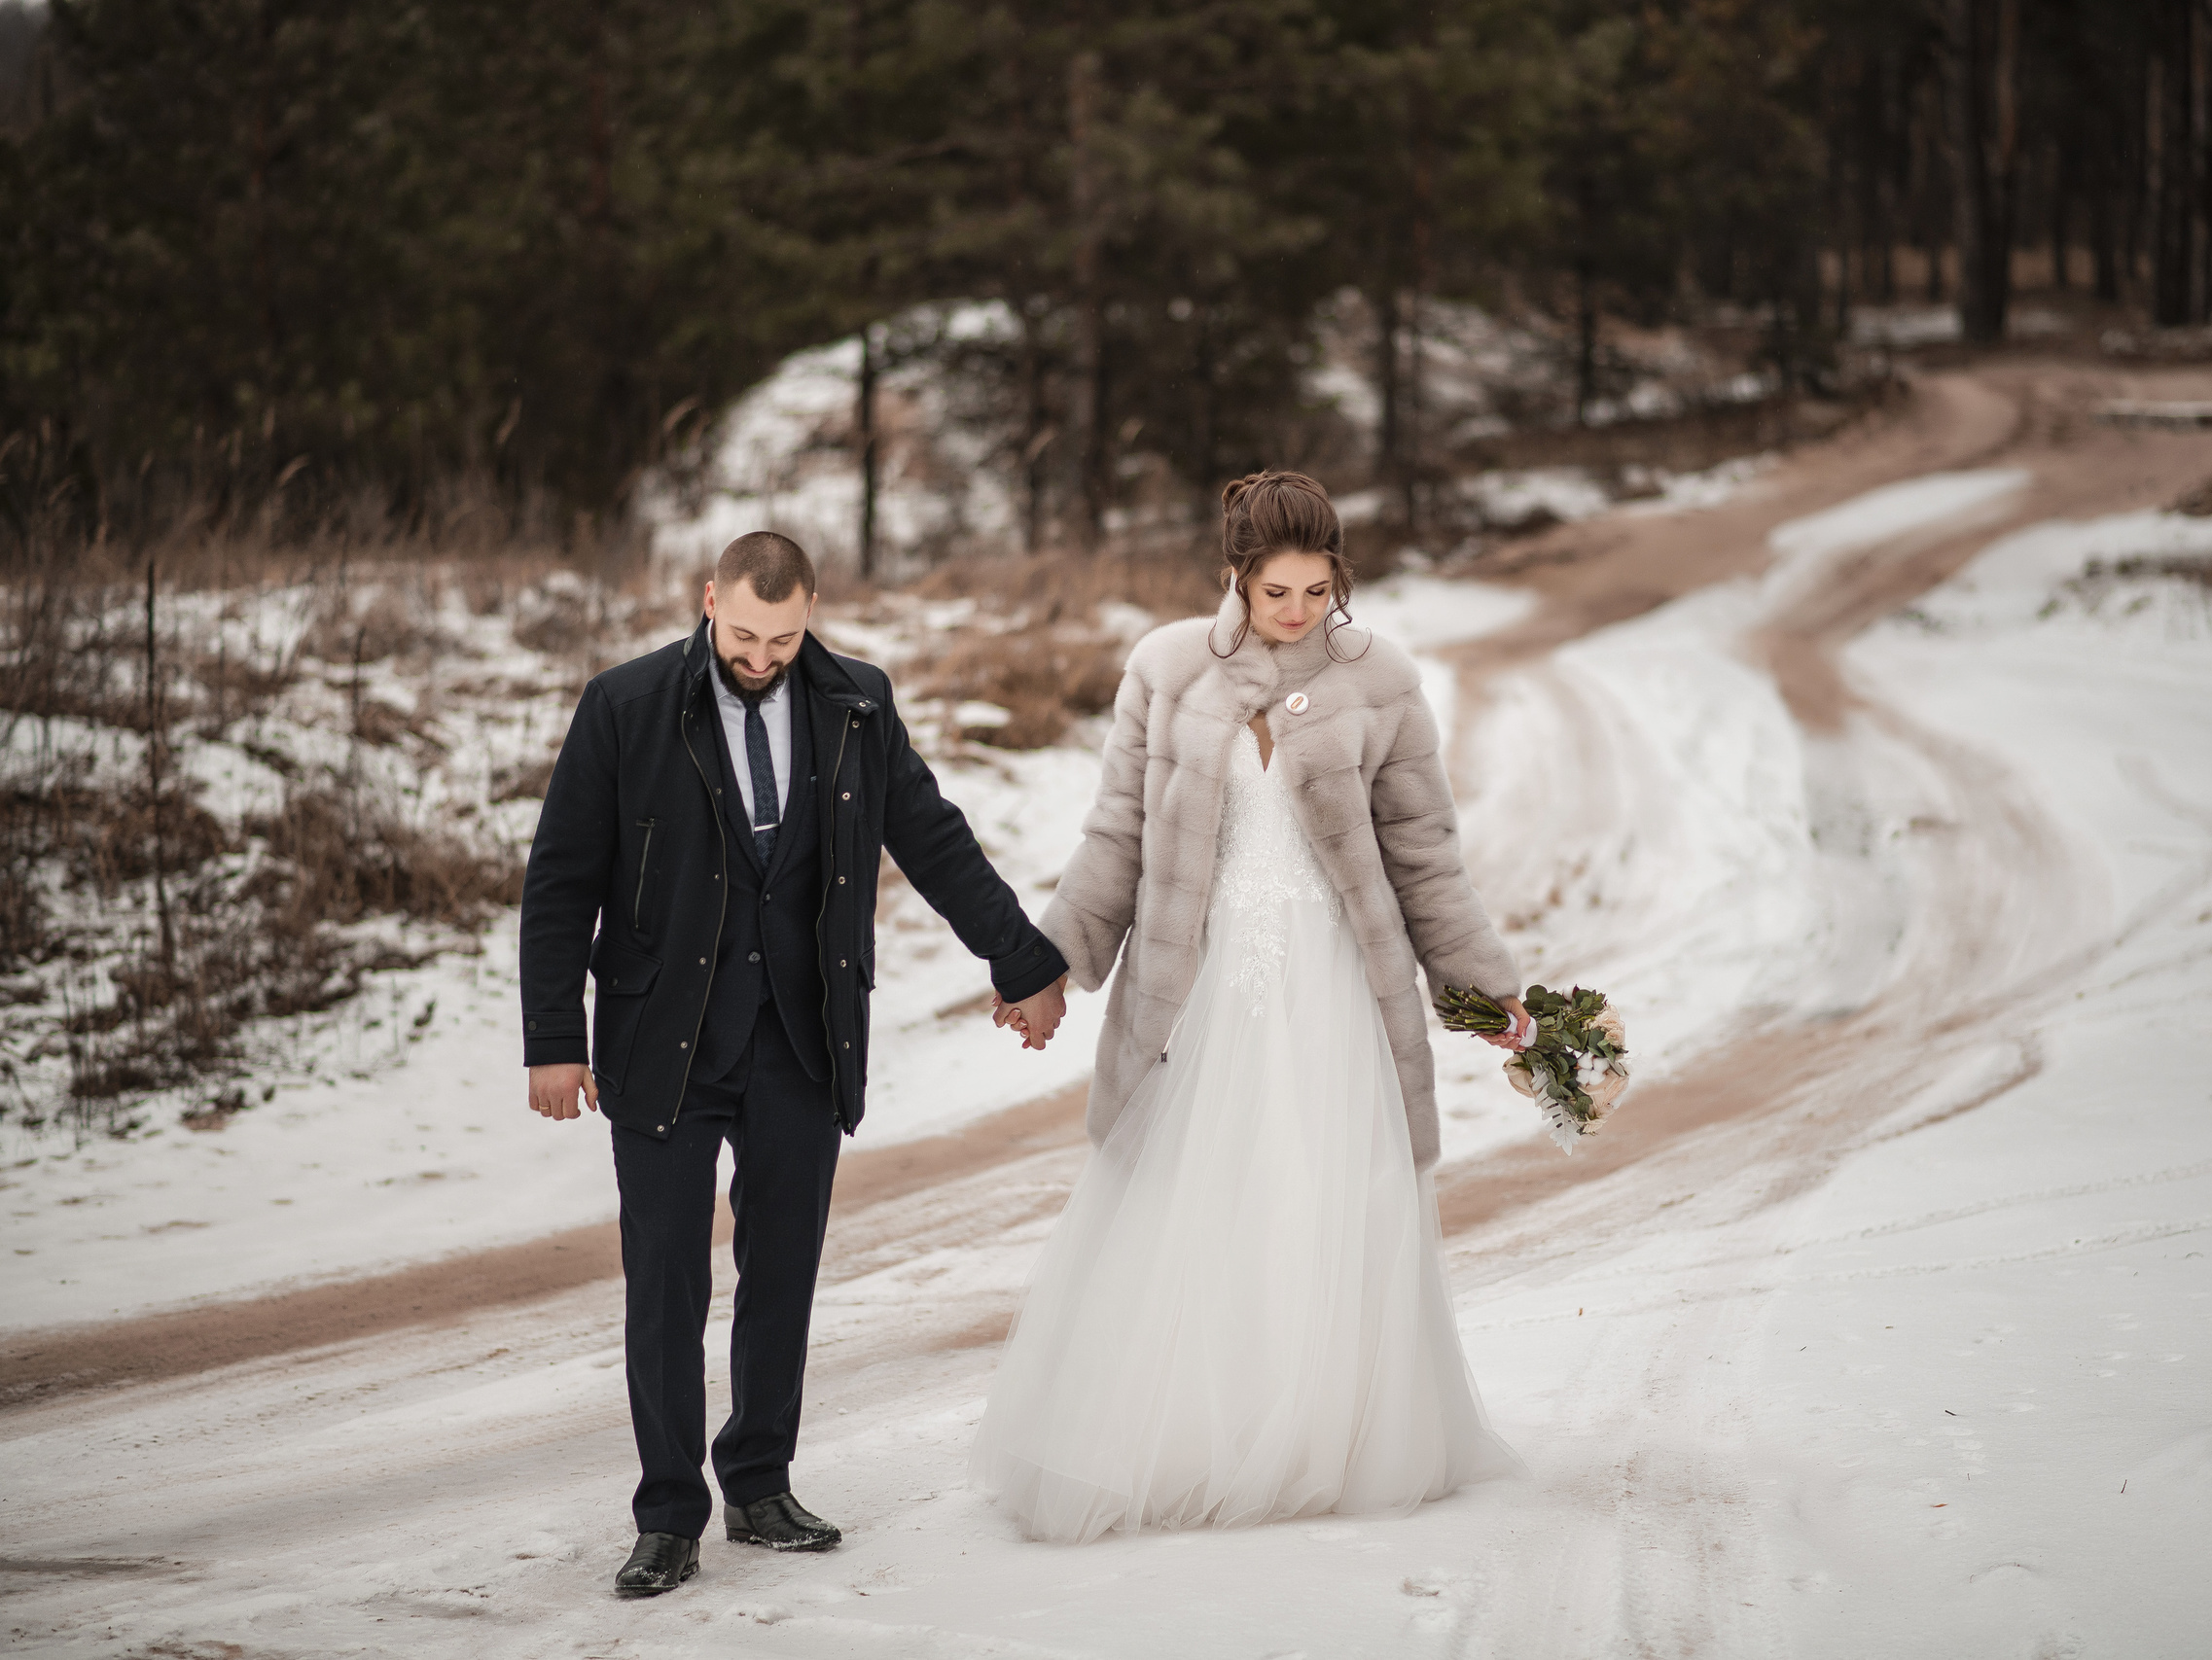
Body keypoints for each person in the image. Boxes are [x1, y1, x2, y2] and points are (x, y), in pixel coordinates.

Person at [971, 471, 1527, 1542]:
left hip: (1334, 986)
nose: (1297, 613)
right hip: (1208, 982)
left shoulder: (1384, 683)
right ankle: (1186, 1435)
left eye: (1318, 593)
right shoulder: (1167, 669)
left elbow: (1424, 858)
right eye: (1277, 591)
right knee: (1196, 1192)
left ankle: (1323, 1436)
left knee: (1324, 1196)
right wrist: (1048, 963)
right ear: (1233, 577)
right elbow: (1116, 837)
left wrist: (1480, 989)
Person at [520, 531, 1069, 1597]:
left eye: (783, 635)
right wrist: (553, 1039)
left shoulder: (857, 701)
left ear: (812, 608)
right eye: (743, 633)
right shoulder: (624, 705)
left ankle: (760, 1484)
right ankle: (669, 1514)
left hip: (802, 1039)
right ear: (708, 598)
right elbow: (560, 880)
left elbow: (932, 836)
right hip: (661, 1040)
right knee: (668, 1284)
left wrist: (1023, 961)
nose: (762, 655)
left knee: (781, 1277)